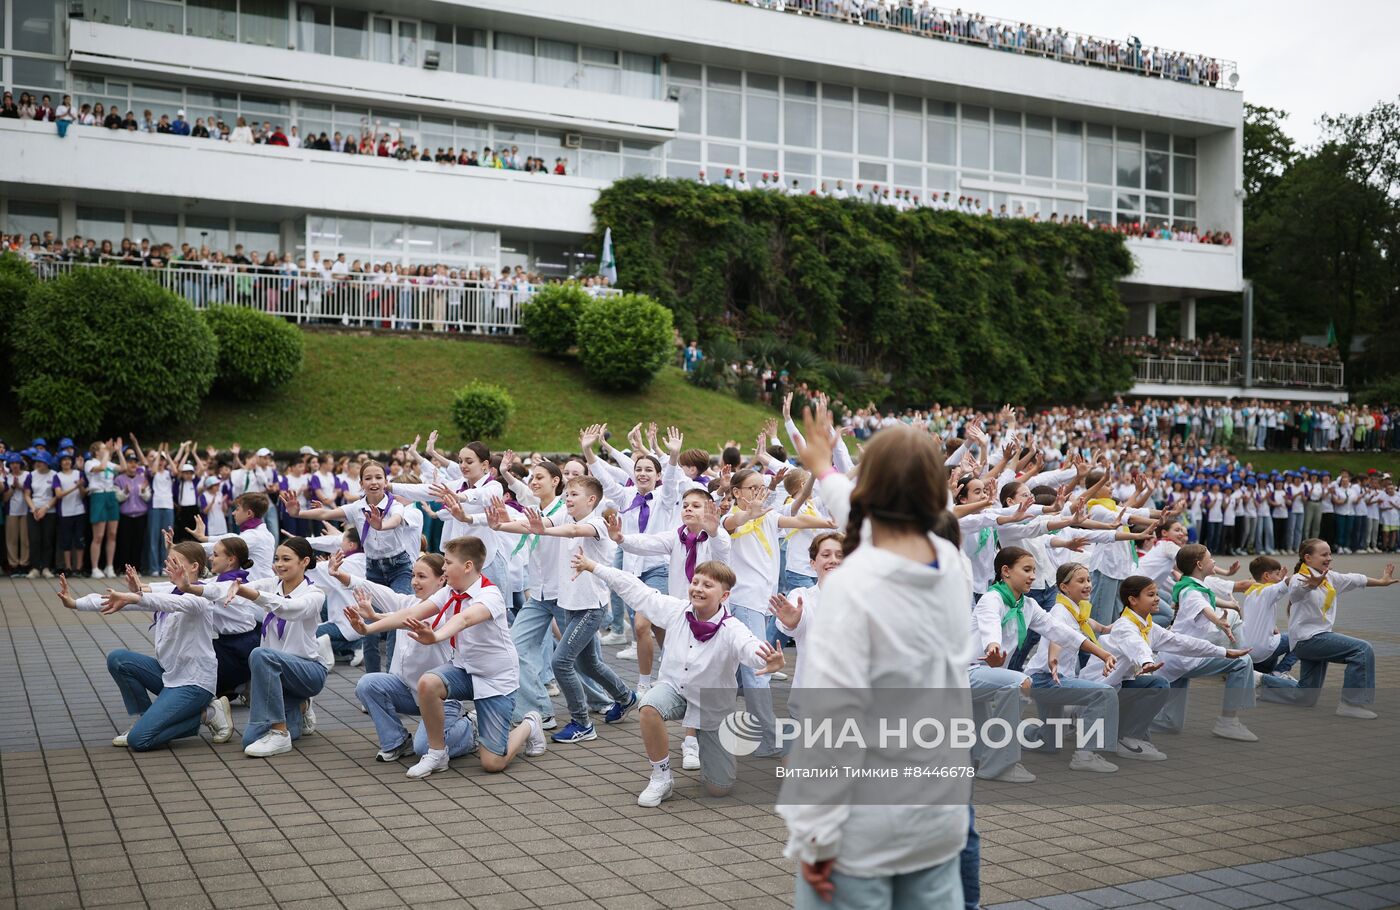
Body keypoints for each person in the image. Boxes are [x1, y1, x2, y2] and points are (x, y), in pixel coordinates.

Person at [779, 410, 970, 910]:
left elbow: (831, 719)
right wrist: (823, 470)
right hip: (937, 814)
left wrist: (815, 835)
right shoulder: (948, 561)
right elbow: (872, 526)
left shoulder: (852, 586)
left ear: (869, 490)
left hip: (863, 832)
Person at [344, 536, 543, 778]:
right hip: (463, 670)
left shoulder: (491, 595)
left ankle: (529, 725)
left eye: (448, 562)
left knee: (493, 764)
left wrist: (435, 637)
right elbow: (412, 612)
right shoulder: (449, 591)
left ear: (467, 566)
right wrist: (368, 628)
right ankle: (437, 754)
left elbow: (465, 619)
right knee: (429, 682)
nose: (444, 567)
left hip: (495, 680)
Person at [55, 543, 233, 750]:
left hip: (194, 683)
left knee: (139, 740)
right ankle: (146, 718)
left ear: (194, 566)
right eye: (168, 561)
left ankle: (207, 714)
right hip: (170, 675)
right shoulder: (170, 588)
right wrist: (75, 603)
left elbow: (166, 602)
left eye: (175, 562)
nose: (168, 566)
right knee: (118, 659)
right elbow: (122, 599)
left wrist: (135, 596)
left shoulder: (201, 598)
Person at [180, 537, 327, 757]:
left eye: (286, 559)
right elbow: (222, 588)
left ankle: (279, 734)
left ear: (304, 561)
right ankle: (301, 708)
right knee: (251, 740)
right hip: (278, 677)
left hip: (307, 671)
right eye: (277, 559)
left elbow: (290, 608)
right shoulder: (270, 583)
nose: (279, 564)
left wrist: (248, 593)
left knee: (260, 654)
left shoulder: (315, 594)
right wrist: (188, 587)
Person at [1286, 538, 1396, 717]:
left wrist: (1381, 581)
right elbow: (1296, 592)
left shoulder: (1329, 577)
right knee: (1361, 650)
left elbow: (1354, 579)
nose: (1329, 558)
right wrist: (1310, 585)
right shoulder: (1299, 579)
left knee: (1305, 697)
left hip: (1315, 638)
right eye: (1324, 554)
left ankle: (1260, 680)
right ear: (1308, 558)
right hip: (1307, 640)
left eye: (1330, 553)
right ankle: (1351, 704)